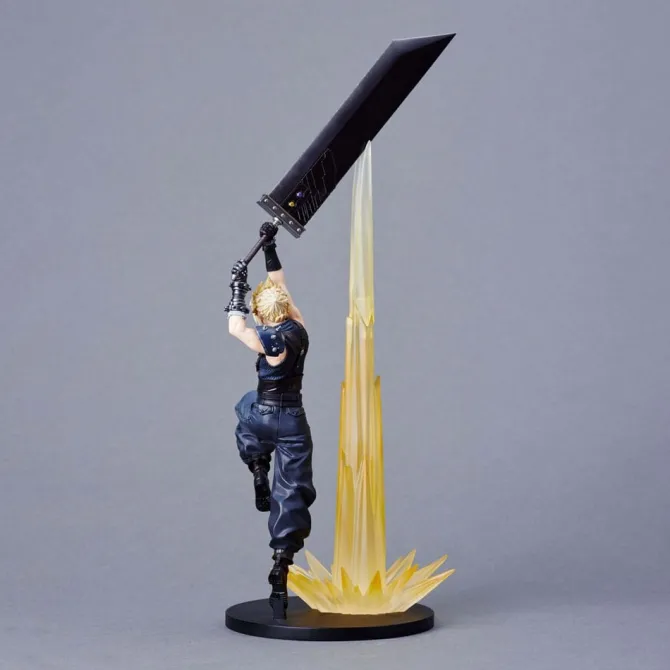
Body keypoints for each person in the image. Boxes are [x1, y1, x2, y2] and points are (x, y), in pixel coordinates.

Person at [225, 221, 316, 619]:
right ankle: (281, 563)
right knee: (292, 490)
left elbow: (235, 327)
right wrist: (269, 249)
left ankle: (258, 464)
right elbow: (280, 285)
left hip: (263, 413)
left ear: (262, 314)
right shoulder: (299, 329)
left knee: (245, 410)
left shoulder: (265, 339)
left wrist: (236, 291)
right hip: (293, 422)